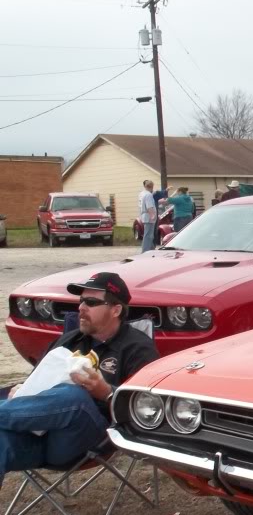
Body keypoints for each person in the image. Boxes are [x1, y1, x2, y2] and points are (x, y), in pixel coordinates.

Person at [0, 273, 160, 489]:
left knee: (73, 397)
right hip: (39, 434)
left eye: (91, 302)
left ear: (116, 310)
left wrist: (105, 392)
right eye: (81, 301)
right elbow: (37, 381)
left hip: (89, 440)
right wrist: (21, 390)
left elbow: (147, 410)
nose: (81, 308)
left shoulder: (137, 348)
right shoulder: (69, 340)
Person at [137, 180, 157, 252]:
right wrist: (153, 216)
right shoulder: (148, 195)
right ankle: (145, 250)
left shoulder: (142, 194)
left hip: (143, 215)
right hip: (149, 216)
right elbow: (149, 207)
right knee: (148, 235)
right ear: (152, 186)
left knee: (149, 234)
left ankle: (151, 249)